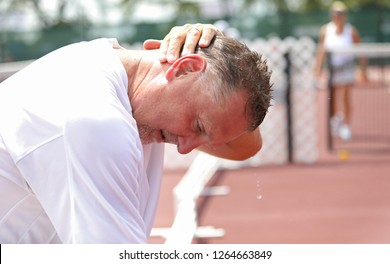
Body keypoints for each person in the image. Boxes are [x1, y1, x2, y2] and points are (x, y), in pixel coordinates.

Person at [0, 23, 272, 243]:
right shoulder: (96, 121)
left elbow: (244, 145)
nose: (185, 148)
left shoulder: (97, 63)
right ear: (185, 68)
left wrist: (224, 57)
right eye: (198, 126)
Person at [315, 1, 366, 141]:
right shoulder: (326, 30)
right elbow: (321, 51)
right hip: (332, 69)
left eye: (341, 13)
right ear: (332, 15)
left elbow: (361, 51)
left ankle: (346, 126)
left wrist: (363, 70)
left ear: (345, 15)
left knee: (345, 96)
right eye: (336, 13)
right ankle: (335, 120)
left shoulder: (351, 31)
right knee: (331, 98)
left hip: (347, 68)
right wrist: (317, 69)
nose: (338, 16)